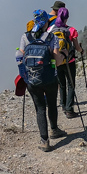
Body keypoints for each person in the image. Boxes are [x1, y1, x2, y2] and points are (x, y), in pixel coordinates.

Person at [16, 10, 67, 152]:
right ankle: (55, 130)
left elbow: (21, 55)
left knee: (40, 108)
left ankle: (44, 141)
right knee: (51, 105)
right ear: (46, 22)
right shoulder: (51, 38)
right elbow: (57, 61)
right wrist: (63, 56)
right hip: (50, 78)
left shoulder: (25, 37)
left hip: (32, 80)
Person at [49, 7, 83, 119]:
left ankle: (63, 105)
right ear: (67, 18)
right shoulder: (71, 30)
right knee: (71, 85)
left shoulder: (51, 29)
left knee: (61, 84)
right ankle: (69, 110)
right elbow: (77, 48)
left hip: (57, 61)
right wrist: (81, 50)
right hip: (70, 61)